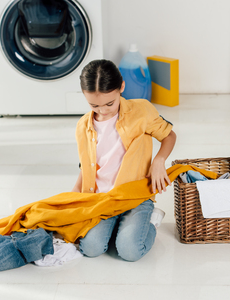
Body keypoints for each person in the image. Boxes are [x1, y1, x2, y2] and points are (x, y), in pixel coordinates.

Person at [72, 59, 177, 262]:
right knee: (90, 248)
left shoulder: (142, 111)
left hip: (135, 196)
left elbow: (169, 136)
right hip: (103, 199)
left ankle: (151, 220)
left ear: (122, 87)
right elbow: (86, 166)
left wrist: (159, 161)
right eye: (94, 105)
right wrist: (74, 198)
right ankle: (118, 228)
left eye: (109, 103)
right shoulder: (82, 126)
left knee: (129, 251)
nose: (103, 111)